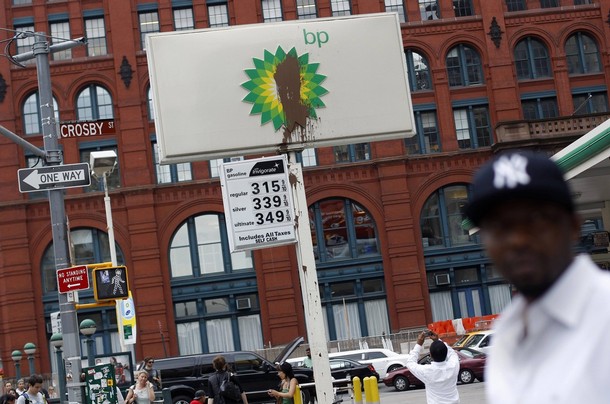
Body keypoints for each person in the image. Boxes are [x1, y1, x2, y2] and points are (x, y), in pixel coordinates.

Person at [465, 150, 610, 404]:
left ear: (574, 226)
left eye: (536, 219)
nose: (518, 240)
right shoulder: (505, 335)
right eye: (499, 226)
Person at [405, 330, 459, 404]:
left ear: (431, 355)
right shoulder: (453, 366)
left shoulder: (427, 371)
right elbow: (451, 352)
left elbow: (410, 363)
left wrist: (419, 344)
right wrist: (438, 340)